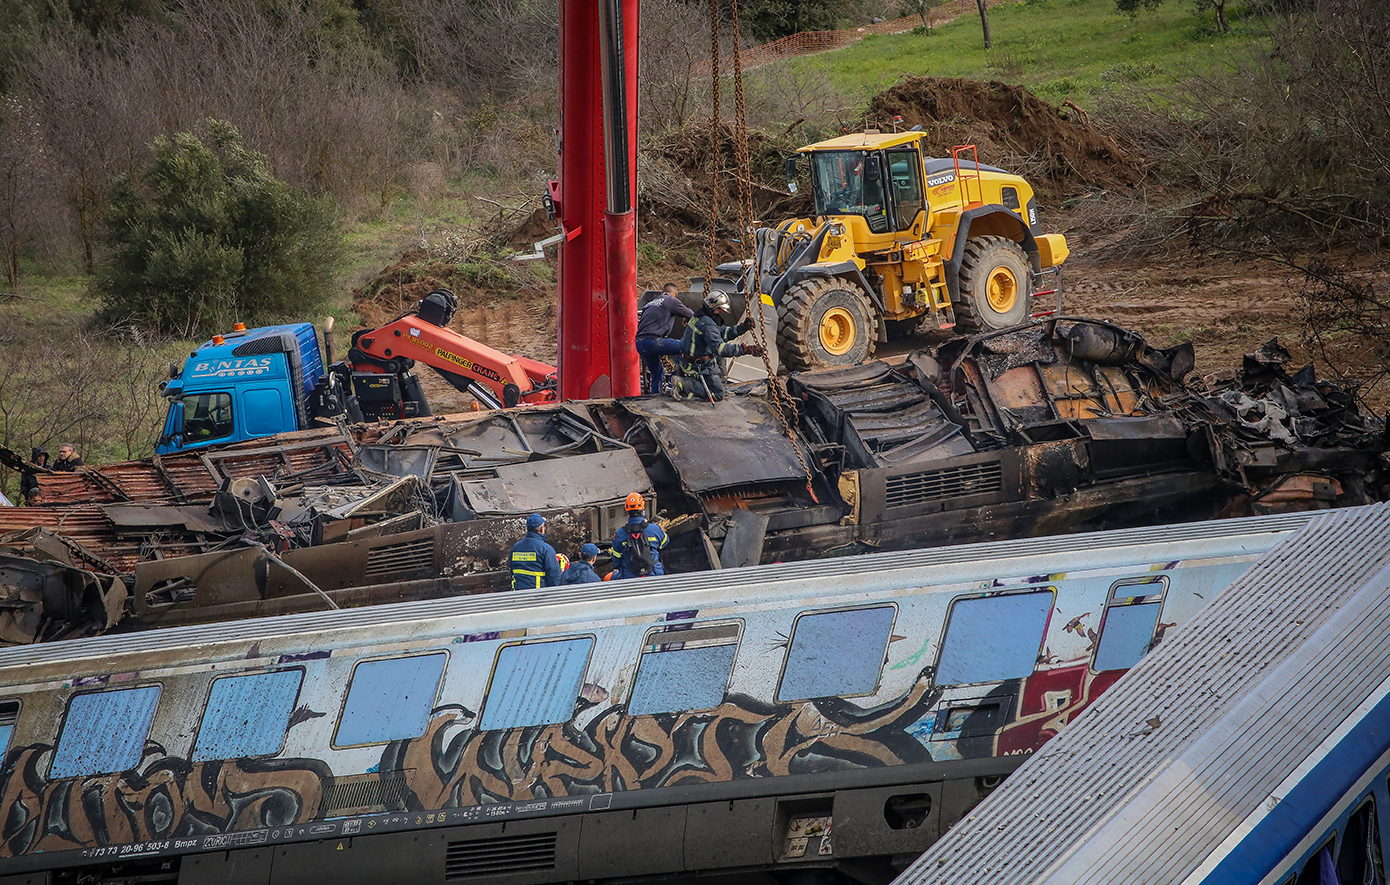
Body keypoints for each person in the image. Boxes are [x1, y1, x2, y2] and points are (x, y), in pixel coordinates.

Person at [668, 291, 762, 402]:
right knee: (718, 394)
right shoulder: (707, 324)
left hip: (687, 359)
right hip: (696, 365)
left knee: (719, 360)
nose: (722, 311)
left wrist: (742, 328)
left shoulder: (701, 316)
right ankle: (682, 383)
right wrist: (745, 349)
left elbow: (722, 333)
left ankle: (718, 384)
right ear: (713, 307)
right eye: (720, 309)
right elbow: (720, 348)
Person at [635, 283, 694, 394]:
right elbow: (691, 314)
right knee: (686, 347)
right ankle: (673, 381)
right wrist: (686, 317)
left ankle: (656, 397)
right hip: (653, 341)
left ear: (661, 292)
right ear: (675, 294)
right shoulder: (670, 300)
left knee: (658, 373)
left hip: (640, 344)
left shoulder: (649, 304)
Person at [612, 492, 668, 579]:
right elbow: (665, 542)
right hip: (654, 573)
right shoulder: (654, 529)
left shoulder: (620, 534)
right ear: (643, 509)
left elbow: (616, 559)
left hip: (629, 576)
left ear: (627, 510)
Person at [509, 513, 562, 590]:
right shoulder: (546, 549)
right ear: (541, 529)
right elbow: (554, 575)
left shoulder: (515, 547)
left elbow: (512, 571)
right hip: (538, 594)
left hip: (517, 593)